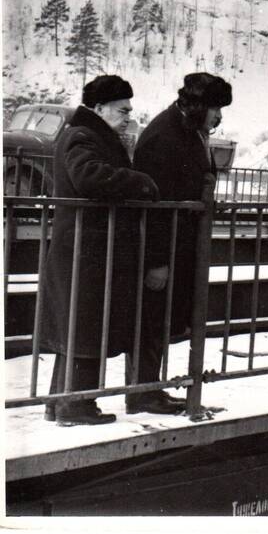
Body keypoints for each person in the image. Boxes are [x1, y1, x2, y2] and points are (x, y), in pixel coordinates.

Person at [38, 75, 159, 426]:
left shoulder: (86, 133)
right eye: (123, 109)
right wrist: (140, 182)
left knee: (77, 325)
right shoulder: (83, 136)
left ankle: (59, 402)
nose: (129, 114)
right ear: (100, 108)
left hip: (85, 247)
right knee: (86, 325)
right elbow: (88, 176)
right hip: (86, 248)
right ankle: (76, 406)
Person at [132, 73, 231, 412]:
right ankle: (143, 394)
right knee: (151, 321)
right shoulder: (165, 136)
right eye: (216, 108)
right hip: (163, 249)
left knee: (162, 321)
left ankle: (150, 389)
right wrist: (157, 260)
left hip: (179, 247)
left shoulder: (187, 131)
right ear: (200, 106)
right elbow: (156, 205)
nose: (219, 116)